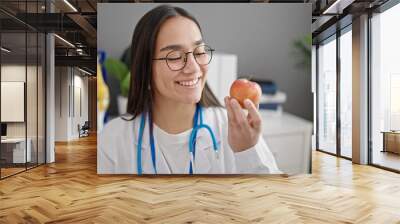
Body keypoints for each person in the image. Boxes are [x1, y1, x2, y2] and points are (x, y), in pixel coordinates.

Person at [98, 5, 281, 175]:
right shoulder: (112, 138)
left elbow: (272, 202)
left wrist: (248, 151)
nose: (193, 68)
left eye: (200, 52)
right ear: (145, 68)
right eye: (175, 56)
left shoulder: (235, 127)